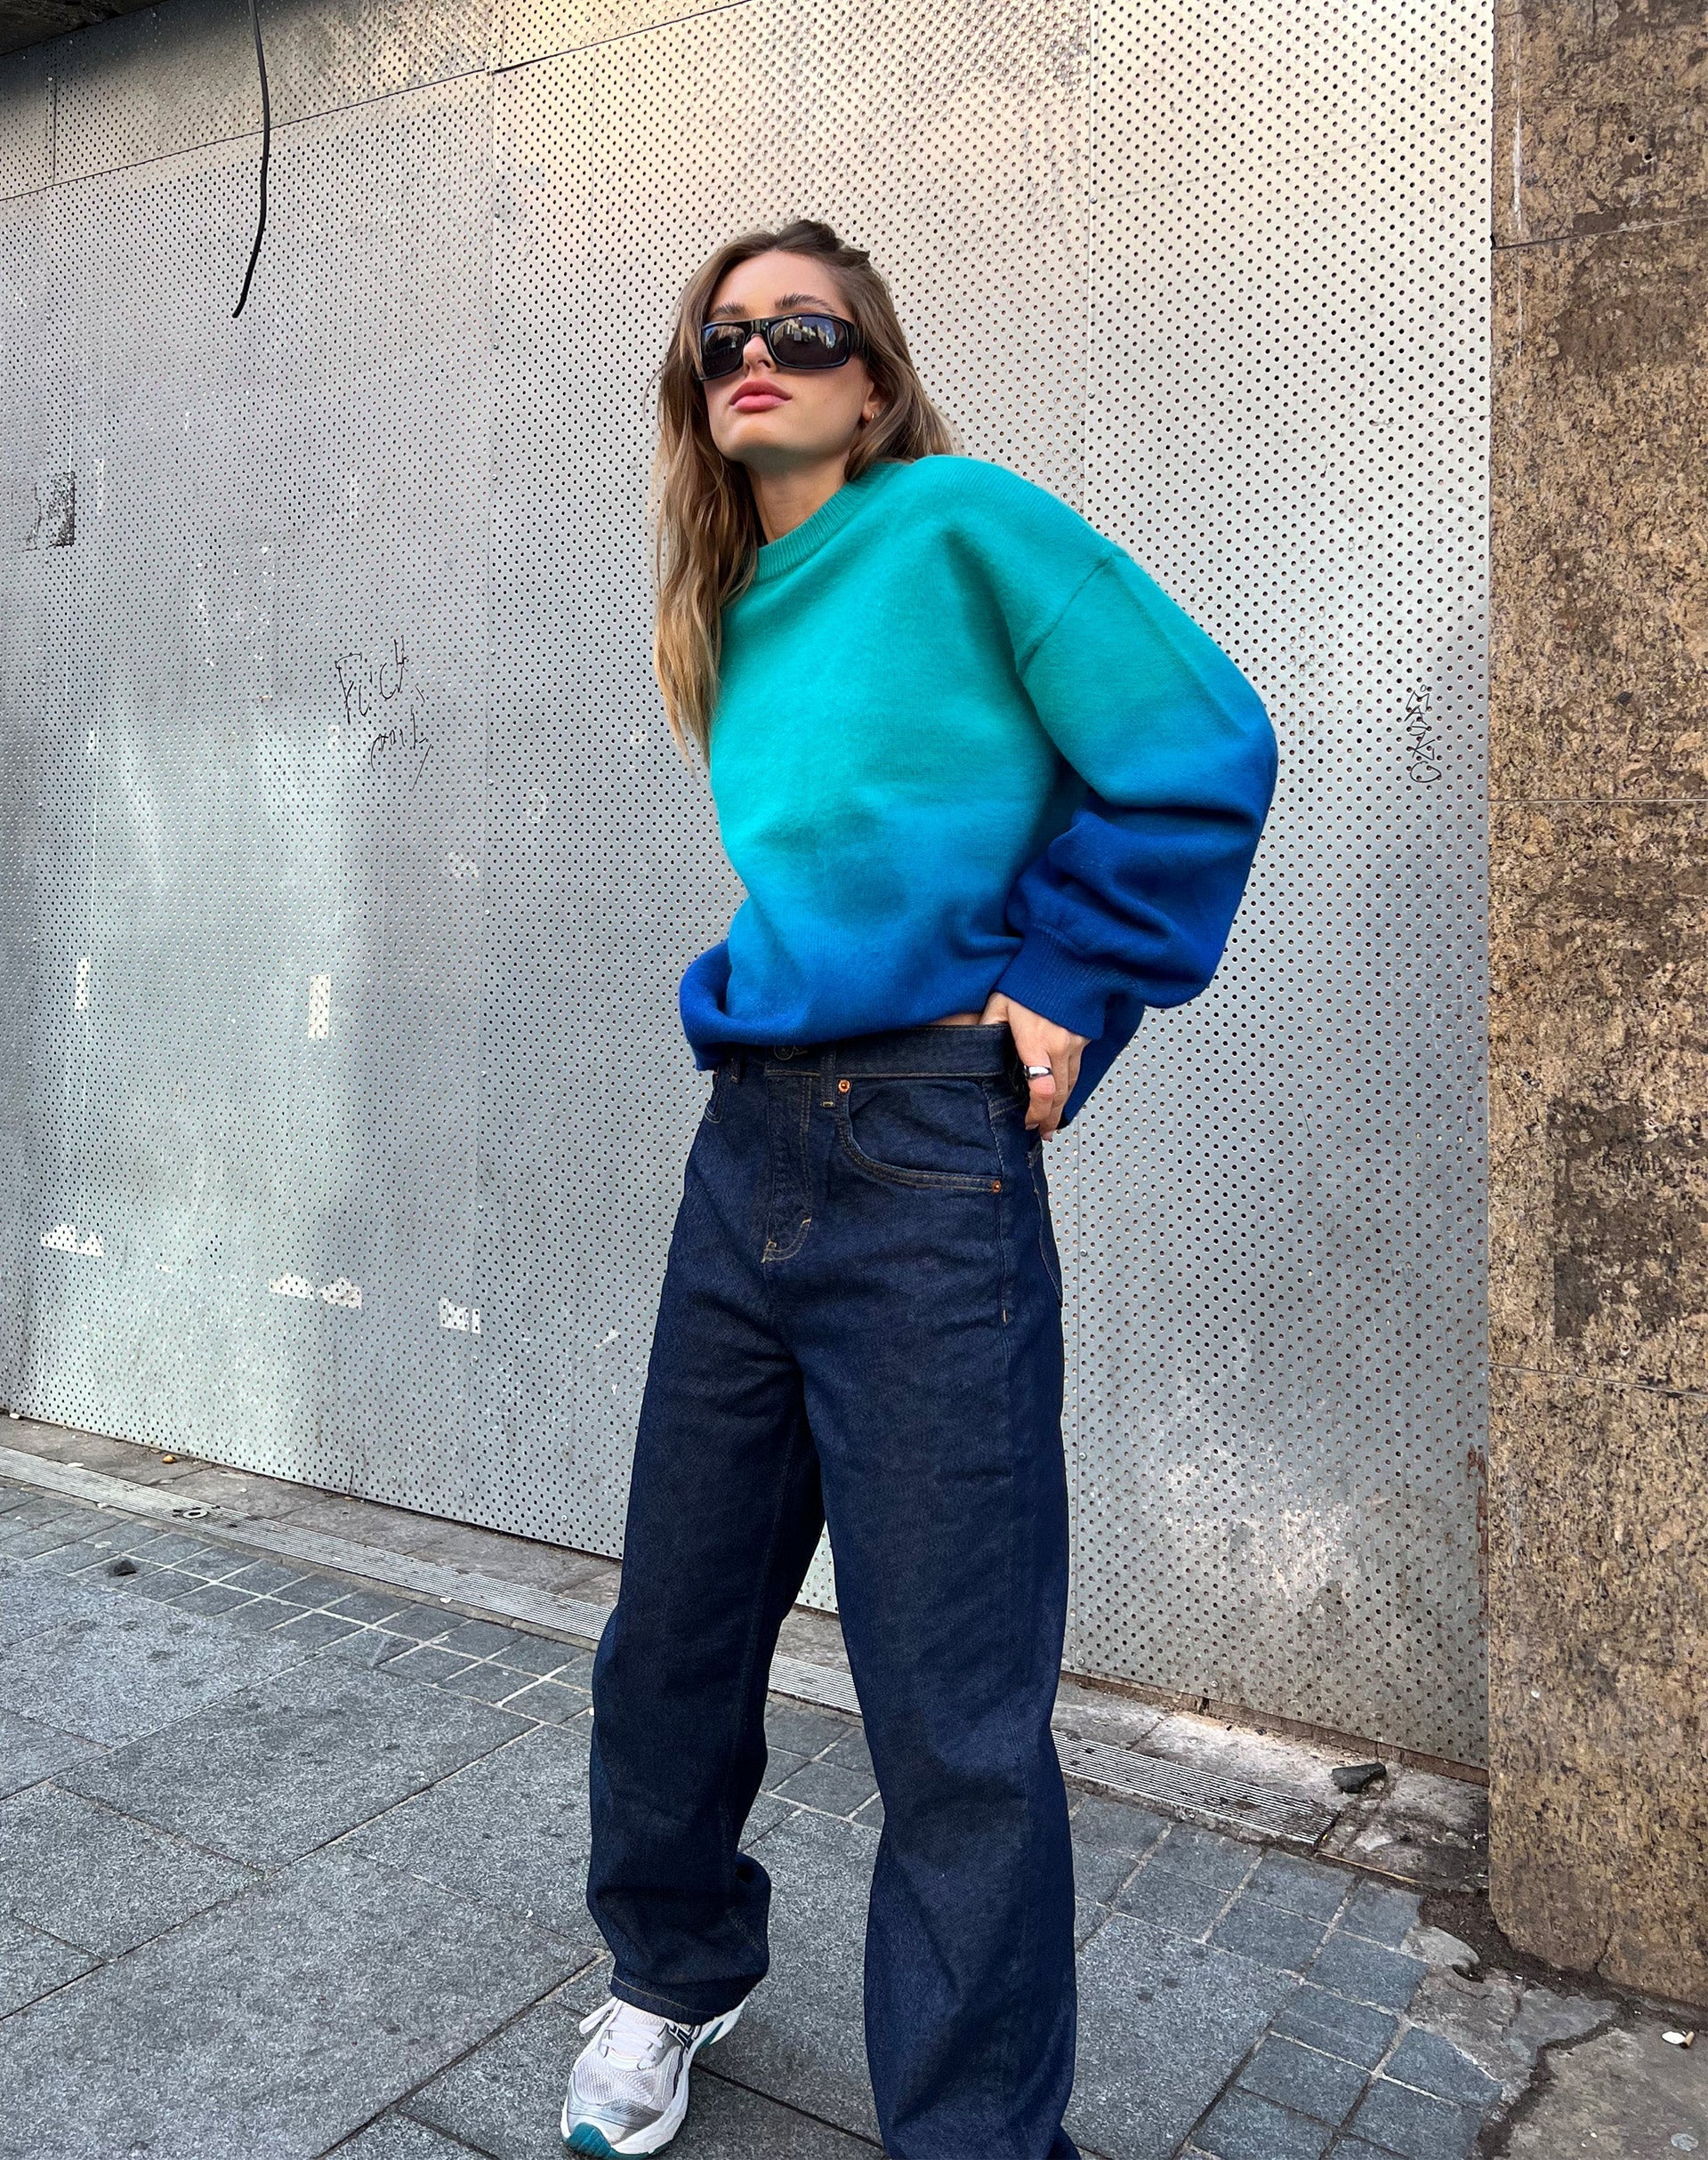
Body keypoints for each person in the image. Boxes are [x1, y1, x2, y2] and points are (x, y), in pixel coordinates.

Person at [561, 218, 1277, 2160]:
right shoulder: (730, 607)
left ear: (873, 380)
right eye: (722, 336)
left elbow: (1201, 745)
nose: (758, 355)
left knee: (953, 1710)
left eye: (805, 330)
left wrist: (1070, 979)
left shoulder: (963, 520)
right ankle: (672, 1970)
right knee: (673, 1636)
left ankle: (974, 2135)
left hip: (921, 1163)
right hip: (748, 1150)